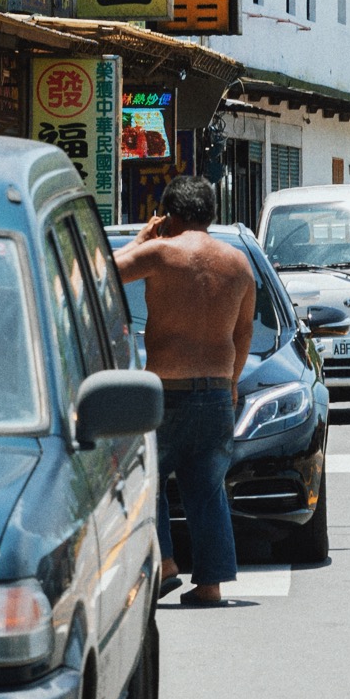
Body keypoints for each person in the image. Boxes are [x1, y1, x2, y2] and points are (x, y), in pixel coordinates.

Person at [114, 174, 257, 605]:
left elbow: (100, 273)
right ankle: (210, 584)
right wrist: (231, 384)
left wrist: (140, 238)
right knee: (207, 488)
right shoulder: (238, 264)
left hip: (166, 391)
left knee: (148, 480)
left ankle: (167, 563)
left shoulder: (160, 252)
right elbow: (244, 332)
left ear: (169, 216)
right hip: (216, 392)